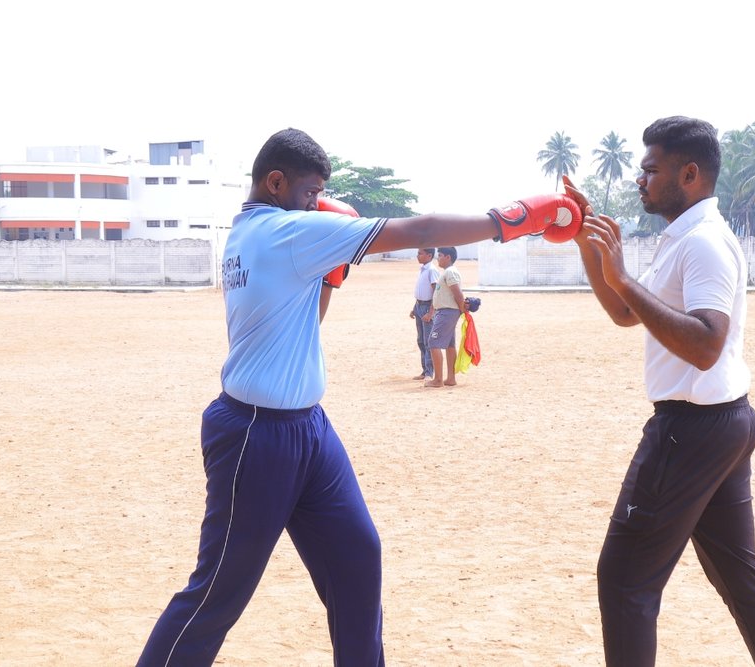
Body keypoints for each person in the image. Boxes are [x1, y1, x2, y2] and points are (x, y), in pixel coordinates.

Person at [137, 128, 583, 667]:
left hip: (308, 428)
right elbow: (421, 229)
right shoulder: (285, 232)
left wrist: (330, 276)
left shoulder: (250, 234)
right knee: (217, 593)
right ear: (276, 183)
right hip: (256, 434)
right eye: (309, 192)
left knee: (356, 557)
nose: (315, 203)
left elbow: (310, 321)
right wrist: (512, 219)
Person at [570, 117, 755, 666]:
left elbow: (705, 345)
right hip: (722, 422)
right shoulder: (683, 238)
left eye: (651, 170)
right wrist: (588, 246)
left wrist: (624, 278)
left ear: (689, 174)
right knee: (739, 577)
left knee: (624, 580)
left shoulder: (704, 244)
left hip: (692, 429)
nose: (640, 180)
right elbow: (626, 312)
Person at [422, 247, 464, 388]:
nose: (438, 258)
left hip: (447, 312)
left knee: (433, 342)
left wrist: (462, 309)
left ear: (448, 257)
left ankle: (438, 380)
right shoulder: (448, 272)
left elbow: (458, 294)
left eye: (440, 255)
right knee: (449, 345)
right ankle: (450, 378)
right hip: (447, 311)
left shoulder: (450, 272)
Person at [409, 248, 439, 380]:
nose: (417, 256)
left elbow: (436, 292)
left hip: (427, 307)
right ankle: (424, 370)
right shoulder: (423, 269)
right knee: (421, 340)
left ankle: (429, 373)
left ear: (429, 255)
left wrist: (431, 312)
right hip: (419, 306)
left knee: (428, 341)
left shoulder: (432, 270)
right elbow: (421, 291)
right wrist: (414, 308)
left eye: (420, 253)